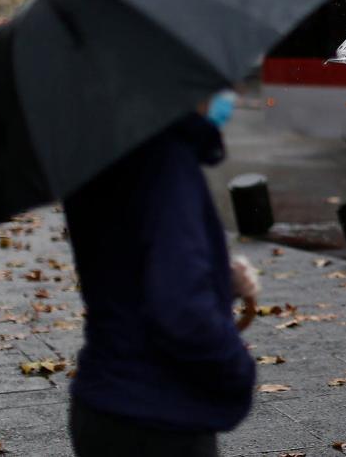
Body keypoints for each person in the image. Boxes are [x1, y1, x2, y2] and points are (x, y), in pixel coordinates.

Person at [63, 92, 258, 457]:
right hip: (159, 414)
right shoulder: (165, 159)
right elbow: (182, 310)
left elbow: (124, 268)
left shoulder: (98, 150)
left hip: (103, 401)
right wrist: (238, 370)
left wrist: (218, 278)